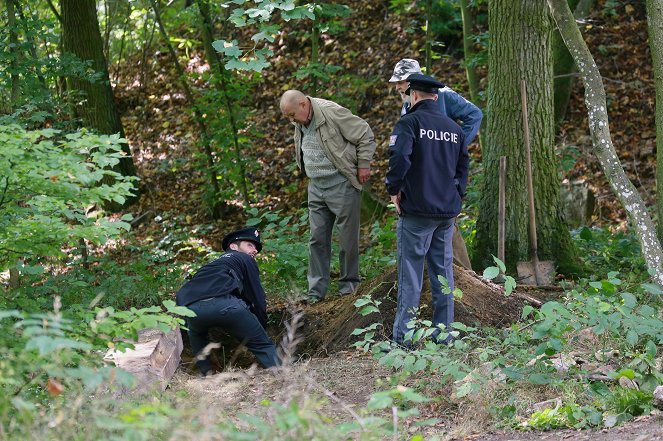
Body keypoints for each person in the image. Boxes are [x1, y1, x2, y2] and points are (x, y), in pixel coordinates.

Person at [385, 73, 469, 347]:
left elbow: (399, 158)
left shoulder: (409, 123)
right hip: (446, 213)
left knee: (410, 274)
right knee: (443, 273)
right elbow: (463, 168)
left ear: (415, 95)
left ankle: (404, 340)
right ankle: (444, 335)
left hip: (417, 211)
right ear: (436, 96)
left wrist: (393, 189)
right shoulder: (454, 129)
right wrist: (456, 196)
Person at [280, 90, 377, 303]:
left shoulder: (332, 113)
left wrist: (363, 164)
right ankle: (316, 292)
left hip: (341, 184)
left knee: (347, 239)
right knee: (317, 239)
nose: (290, 121)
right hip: (316, 186)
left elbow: (364, 133)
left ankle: (348, 288)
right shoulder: (300, 120)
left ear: (304, 105)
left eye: (291, 115)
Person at [175, 227, 281, 375]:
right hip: (227, 306)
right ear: (233, 247)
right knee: (263, 345)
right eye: (250, 245)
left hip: (192, 309)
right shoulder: (244, 258)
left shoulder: (208, 267)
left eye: (256, 247)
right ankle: (282, 375)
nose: (255, 250)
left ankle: (207, 375)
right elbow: (256, 295)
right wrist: (260, 326)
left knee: (196, 334)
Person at [389, 58, 482, 147]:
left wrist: (455, 146)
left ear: (413, 79)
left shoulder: (443, 94)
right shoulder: (407, 103)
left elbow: (475, 114)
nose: (397, 87)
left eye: (400, 82)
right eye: (396, 83)